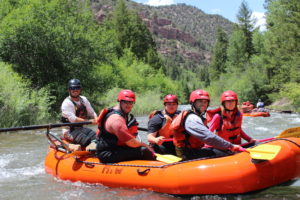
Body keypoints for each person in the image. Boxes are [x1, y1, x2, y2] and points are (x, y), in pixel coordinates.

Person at [170, 89, 242, 161]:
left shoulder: (199, 117)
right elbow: (208, 137)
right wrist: (230, 146)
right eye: (200, 101)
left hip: (194, 151)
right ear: (193, 103)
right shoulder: (192, 118)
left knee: (220, 150)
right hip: (188, 154)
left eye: (205, 102)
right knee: (225, 153)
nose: (203, 104)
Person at [91, 89, 155, 163]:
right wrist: (146, 145)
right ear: (120, 101)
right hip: (107, 154)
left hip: (116, 148)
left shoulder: (120, 112)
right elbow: (131, 142)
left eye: (131, 102)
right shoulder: (116, 120)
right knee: (144, 150)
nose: (128, 105)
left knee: (145, 148)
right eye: (126, 102)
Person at [61, 79, 98, 151]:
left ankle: (94, 148)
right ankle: (89, 150)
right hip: (69, 131)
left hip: (81, 128)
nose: (75, 90)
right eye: (72, 88)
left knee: (97, 136)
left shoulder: (84, 99)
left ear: (80, 89)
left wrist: (96, 118)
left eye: (77, 88)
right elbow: (74, 119)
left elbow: (91, 112)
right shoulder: (66, 103)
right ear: (69, 90)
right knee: (86, 140)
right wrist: (89, 121)